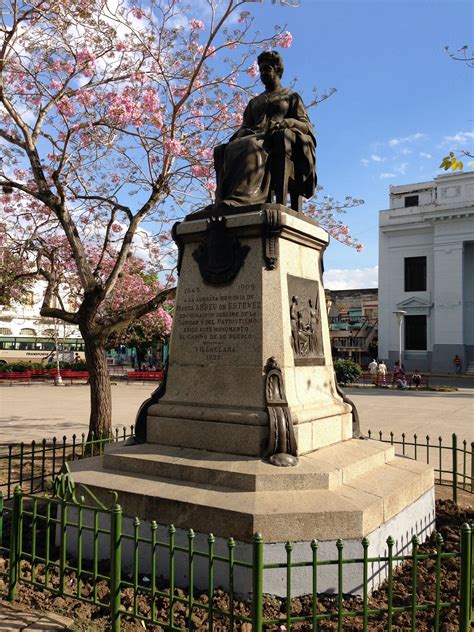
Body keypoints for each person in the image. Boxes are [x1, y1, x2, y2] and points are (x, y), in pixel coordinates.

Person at [212, 50, 316, 210]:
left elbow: (306, 126)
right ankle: (223, 200)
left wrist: (288, 122)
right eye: (260, 70)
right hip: (253, 137)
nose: (262, 73)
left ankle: (244, 198)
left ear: (277, 70)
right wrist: (242, 132)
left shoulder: (290, 96)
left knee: (251, 146)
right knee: (228, 149)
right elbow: (244, 126)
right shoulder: (255, 102)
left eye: (267, 69)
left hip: (274, 141)